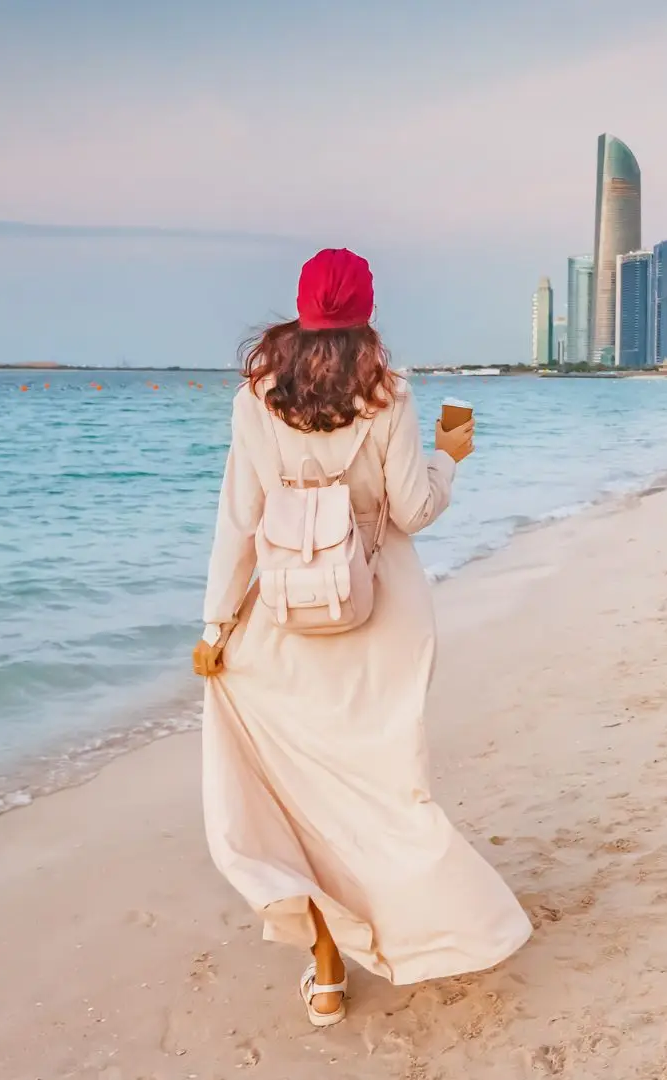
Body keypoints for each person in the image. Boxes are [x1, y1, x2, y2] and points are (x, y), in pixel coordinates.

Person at [193, 248, 530, 1028]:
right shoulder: (391, 396)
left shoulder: (256, 399)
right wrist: (451, 456)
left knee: (289, 797)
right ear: (367, 313)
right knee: (387, 792)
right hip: (381, 619)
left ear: (303, 308)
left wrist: (215, 625)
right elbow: (412, 512)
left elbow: (238, 518)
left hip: (283, 619)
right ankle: (438, 926)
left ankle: (326, 963)